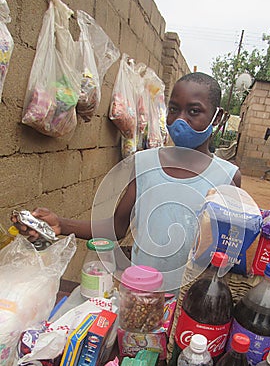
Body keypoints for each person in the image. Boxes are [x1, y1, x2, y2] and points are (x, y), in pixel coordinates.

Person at [13, 72, 241, 293]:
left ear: (217, 117)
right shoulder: (144, 163)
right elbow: (117, 227)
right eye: (173, 109)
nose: (180, 120)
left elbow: (225, 250)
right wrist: (61, 225)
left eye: (194, 111)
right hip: (139, 295)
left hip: (189, 302)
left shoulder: (227, 176)